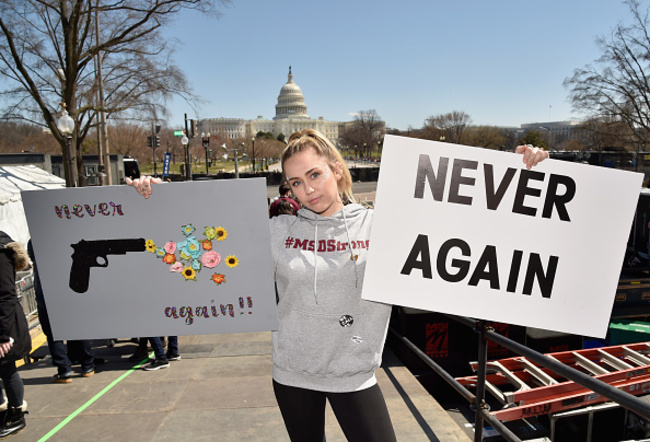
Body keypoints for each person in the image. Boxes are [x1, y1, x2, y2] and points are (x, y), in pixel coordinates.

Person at [127, 131, 548, 441]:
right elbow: (200, 241)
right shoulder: (277, 230)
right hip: (292, 374)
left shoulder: (384, 225)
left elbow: (469, 228)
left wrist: (519, 172)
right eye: (295, 182)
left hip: (355, 376)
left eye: (314, 174)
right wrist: (158, 197)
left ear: (337, 169)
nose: (307, 189)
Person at [28, 242, 96, 384]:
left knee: (53, 334)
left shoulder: (34, 240)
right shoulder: (60, 237)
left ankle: (64, 370)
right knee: (77, 328)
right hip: (65, 287)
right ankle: (87, 366)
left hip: (45, 291)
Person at [0, 232, 31, 438]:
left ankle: (17, 413)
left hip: (5, 323)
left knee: (7, 368)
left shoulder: (1, 253)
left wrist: (3, 335)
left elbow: (6, 295)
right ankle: (3, 409)